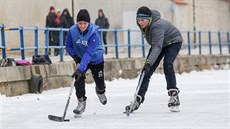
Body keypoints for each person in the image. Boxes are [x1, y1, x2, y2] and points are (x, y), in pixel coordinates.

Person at [126, 6, 183, 112]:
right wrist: (148, 65)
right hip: (160, 43)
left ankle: (174, 96)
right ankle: (137, 99)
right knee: (146, 71)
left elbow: (156, 46)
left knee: (167, 64)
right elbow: (157, 45)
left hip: (173, 42)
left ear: (149, 18)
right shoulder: (146, 24)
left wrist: (149, 62)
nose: (140, 22)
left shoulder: (156, 26)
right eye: (138, 20)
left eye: (142, 20)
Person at [65, 9, 107, 116]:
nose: (82, 26)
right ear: (76, 23)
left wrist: (80, 67)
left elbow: (89, 53)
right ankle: (81, 102)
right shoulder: (72, 31)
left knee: (100, 84)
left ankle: (100, 91)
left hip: (96, 59)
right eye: (80, 23)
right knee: (78, 78)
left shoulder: (94, 33)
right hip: (81, 58)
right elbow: (68, 46)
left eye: (85, 23)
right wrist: (75, 58)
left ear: (88, 23)